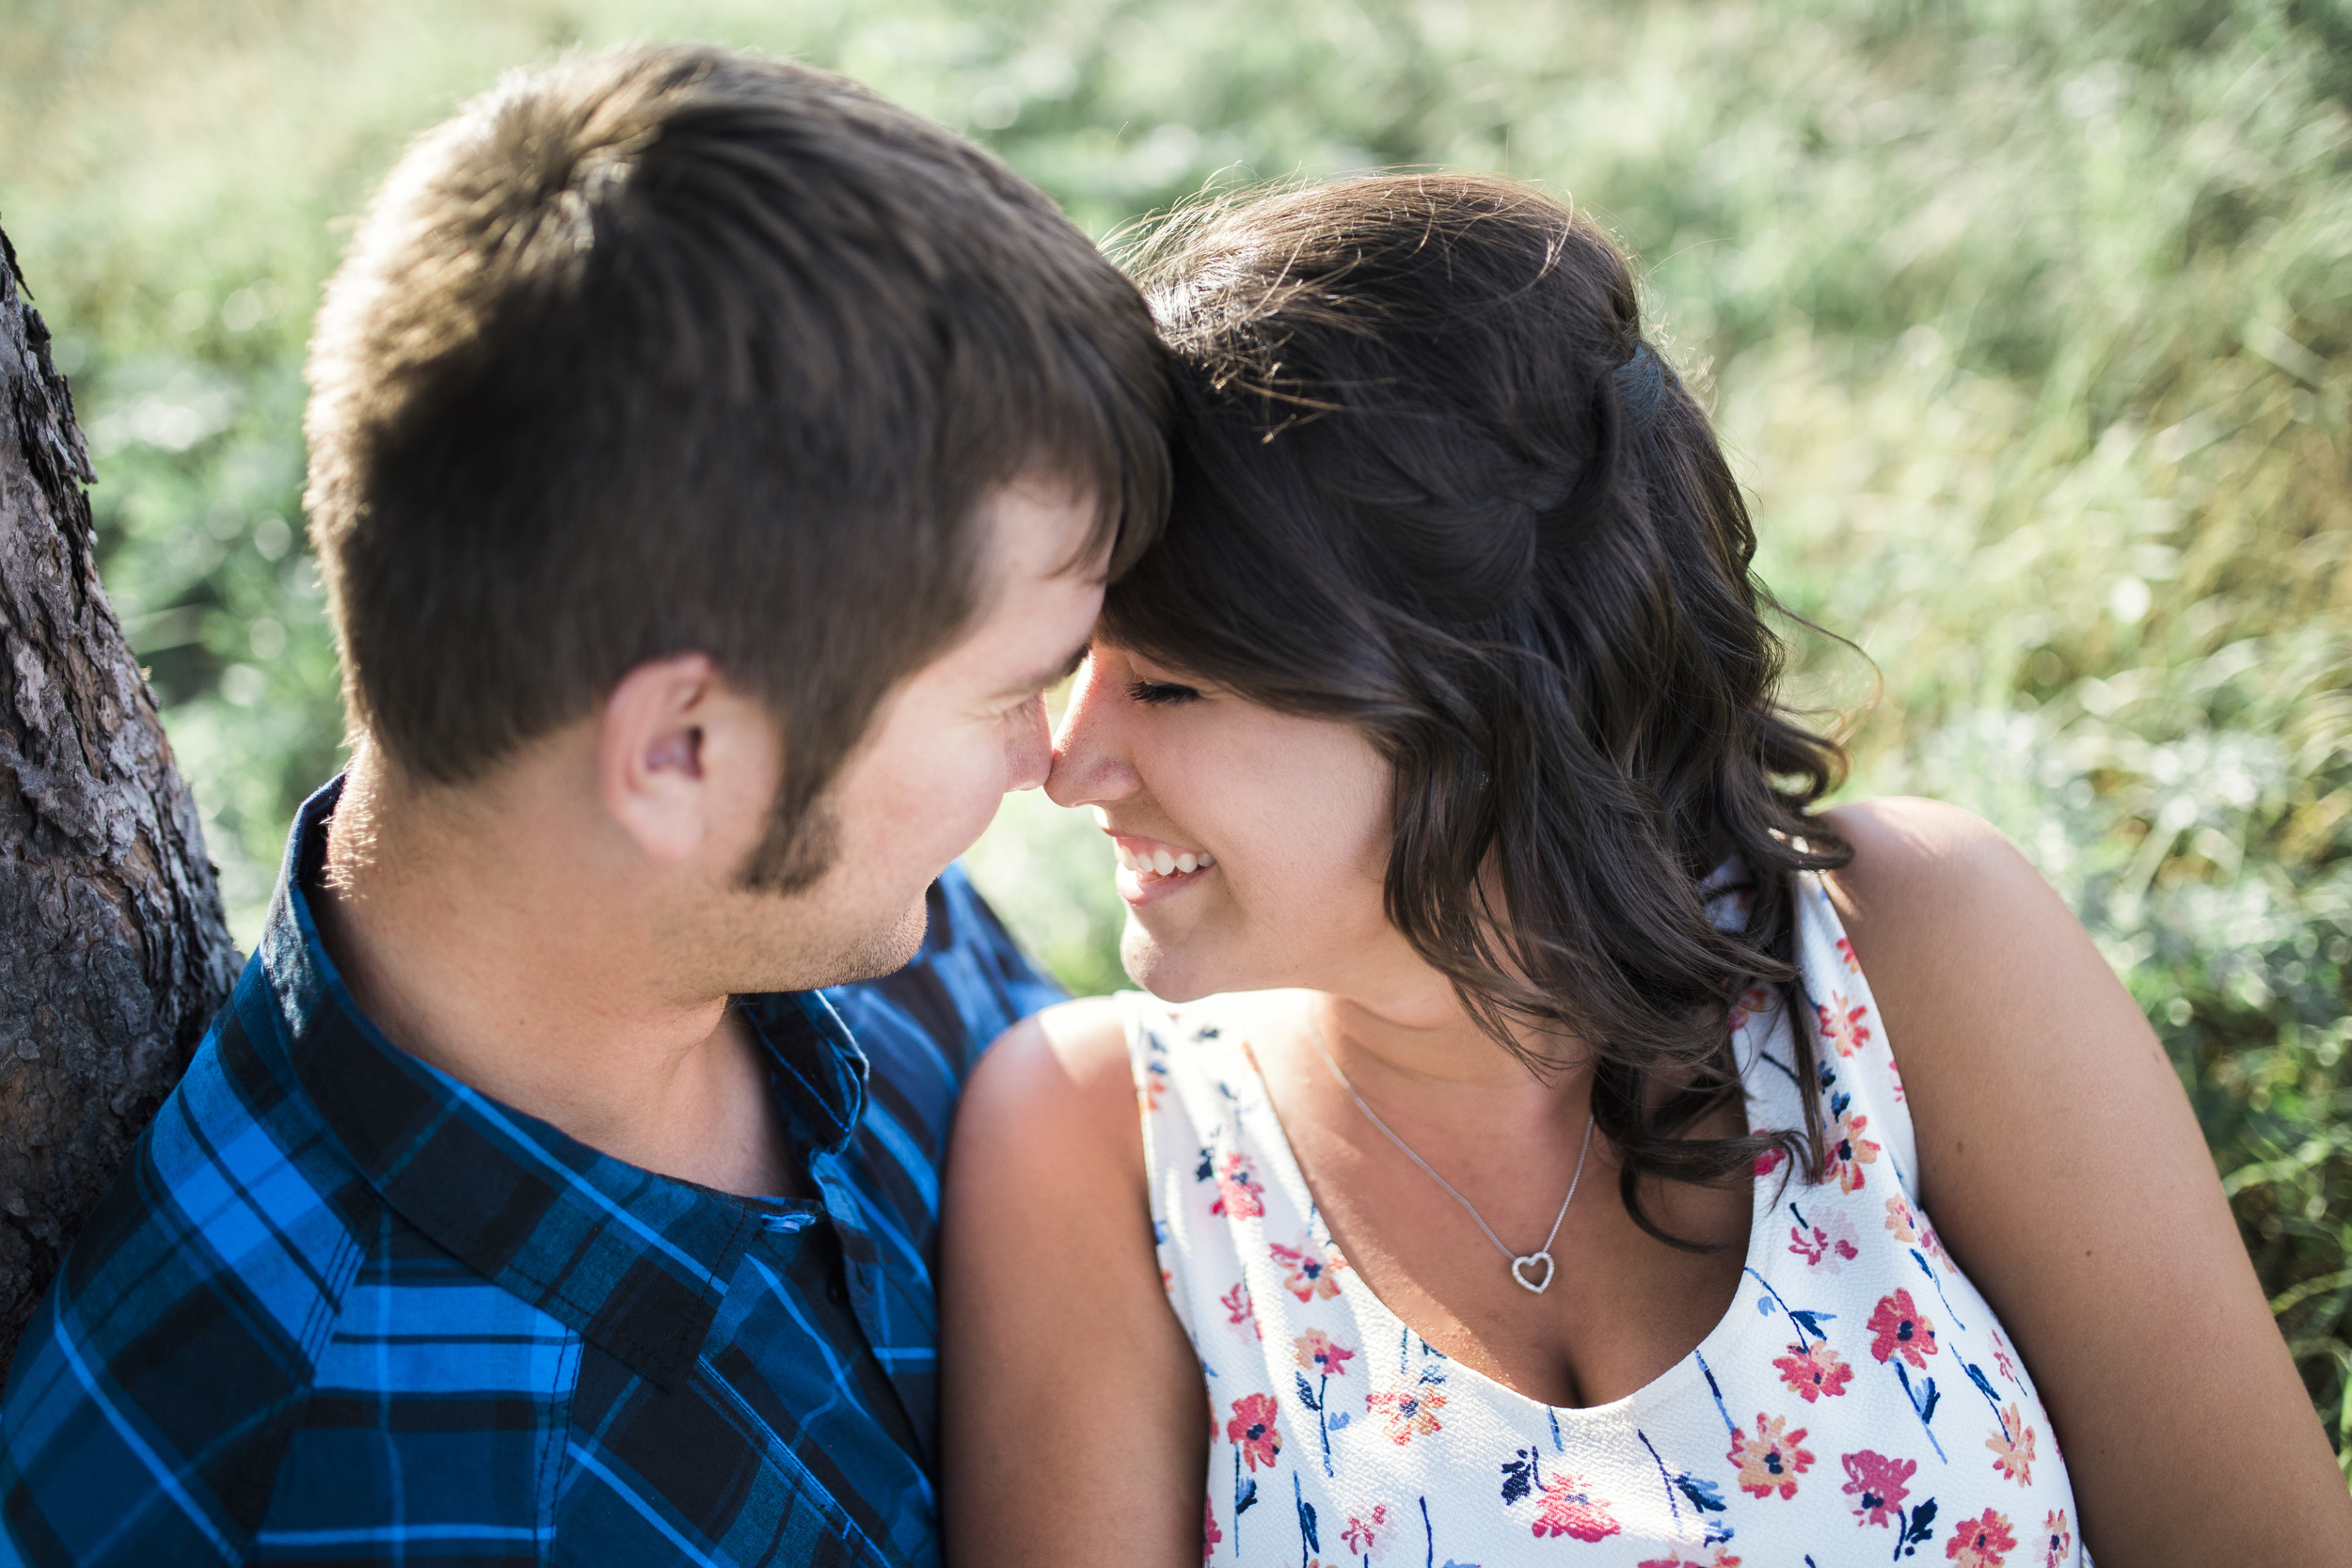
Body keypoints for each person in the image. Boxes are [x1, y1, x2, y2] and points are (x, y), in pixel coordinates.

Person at [939, 173, 2352, 1565]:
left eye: (1170, 689)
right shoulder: (1095, 1145)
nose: (1065, 767)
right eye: (1071, 671)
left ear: (1483, 693)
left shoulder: (1904, 948)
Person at [0, 44, 1166, 1568]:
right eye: (1013, 689)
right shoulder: (362, 1500)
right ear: (679, 751)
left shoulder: (840, 909)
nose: (1054, 759)